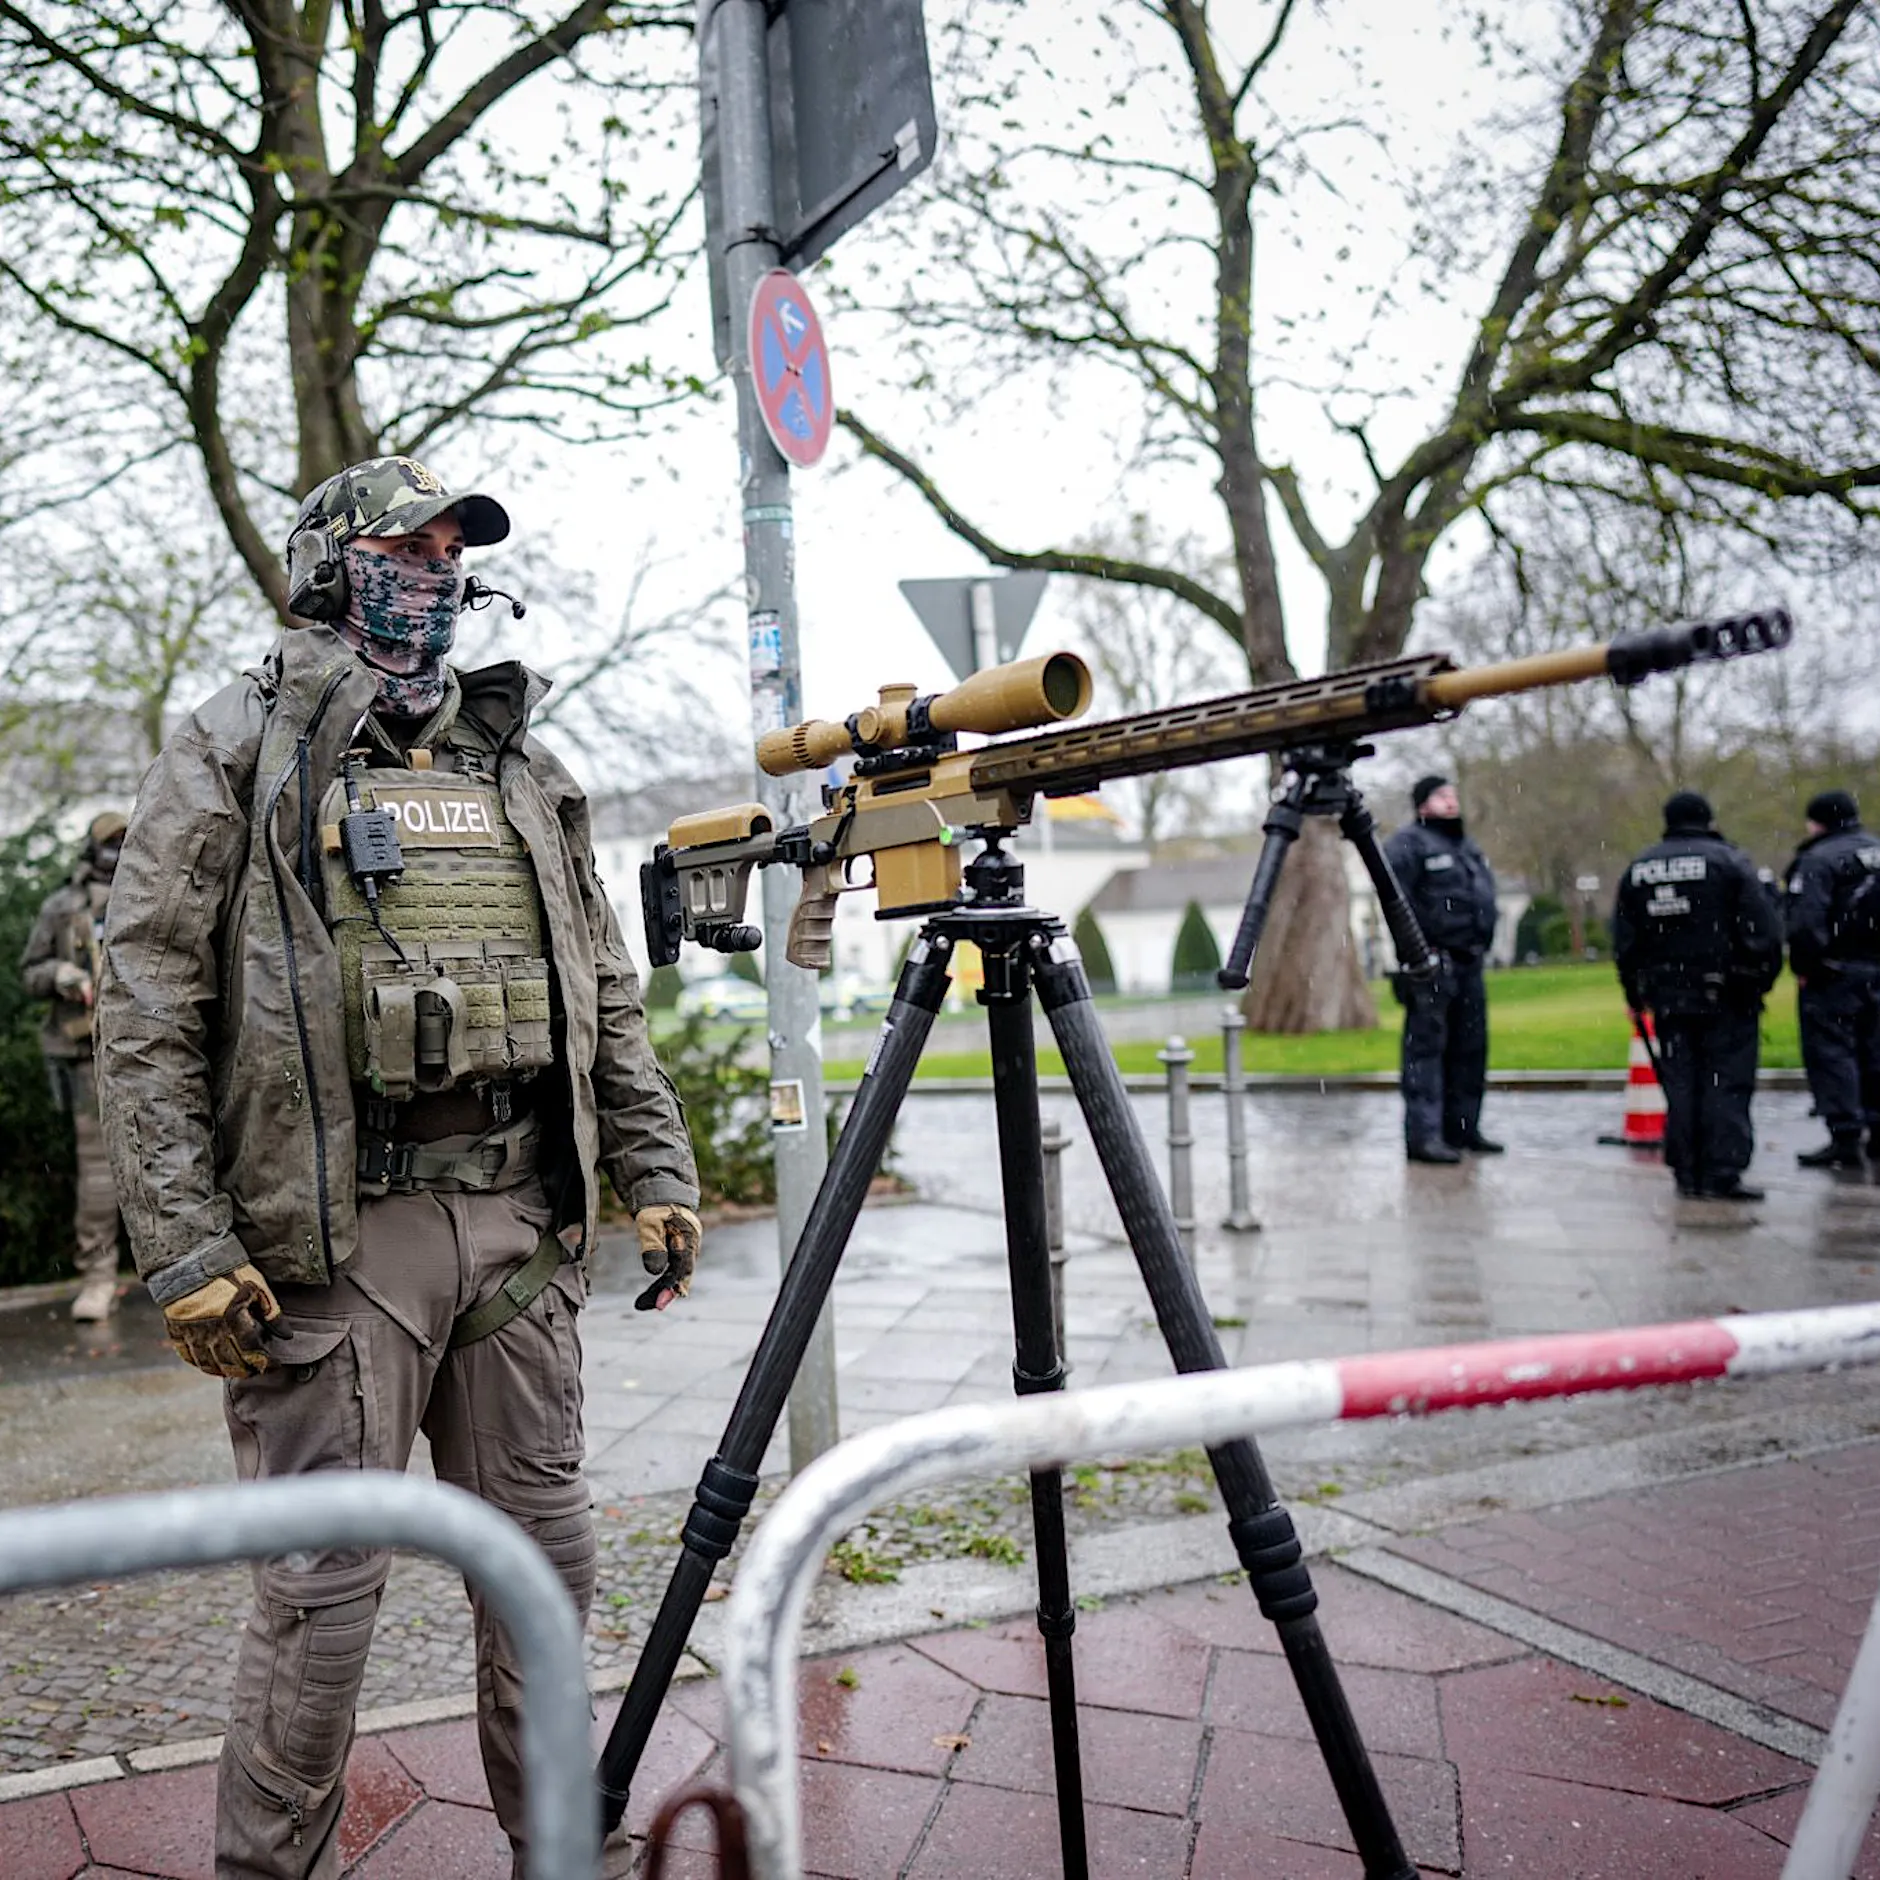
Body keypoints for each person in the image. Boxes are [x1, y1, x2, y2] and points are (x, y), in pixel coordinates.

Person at [94, 455, 701, 1879]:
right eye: (403, 545)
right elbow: (147, 994)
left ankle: (567, 1850)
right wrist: (186, 1247)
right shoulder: (237, 743)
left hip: (516, 1227)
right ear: (327, 564)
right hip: (333, 1240)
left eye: (449, 549)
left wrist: (655, 1160)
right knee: (323, 1596)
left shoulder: (519, 763)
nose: (434, 568)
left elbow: (599, 981)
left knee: (545, 1564)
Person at [1612, 792, 1782, 1201]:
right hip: (1727, 993)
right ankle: (1721, 1170)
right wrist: (1758, 980)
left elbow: (1626, 942)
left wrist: (1635, 993)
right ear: (1708, 819)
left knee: (1681, 1083)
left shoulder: (1641, 869)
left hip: (1668, 997)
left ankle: (1687, 1170)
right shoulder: (1729, 862)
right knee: (1726, 1083)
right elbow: (1764, 931)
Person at [20, 811, 129, 1321]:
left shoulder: (150, 893)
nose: (117, 850)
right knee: (99, 1171)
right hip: (87, 1052)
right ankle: (98, 1277)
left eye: (125, 840)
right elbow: (30, 971)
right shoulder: (63, 906)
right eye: (109, 842)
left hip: (153, 1049)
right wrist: (61, 973)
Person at [1382, 775, 1503, 1163]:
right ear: (1422, 804)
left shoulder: (1466, 846)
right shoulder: (1408, 845)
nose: (1450, 801)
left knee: (1470, 1049)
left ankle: (1462, 1129)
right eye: (1440, 796)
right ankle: (1425, 1136)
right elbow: (1396, 901)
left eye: (1452, 795)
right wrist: (1416, 954)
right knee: (1427, 1052)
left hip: (1470, 961)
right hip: (1432, 964)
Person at [1783, 789, 1880, 1169]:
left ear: (1817, 822)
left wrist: (1808, 967)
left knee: (1834, 1054)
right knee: (1874, 1051)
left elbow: (1805, 923)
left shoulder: (1818, 860)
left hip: (1835, 974)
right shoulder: (1874, 850)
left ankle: (1846, 1136)